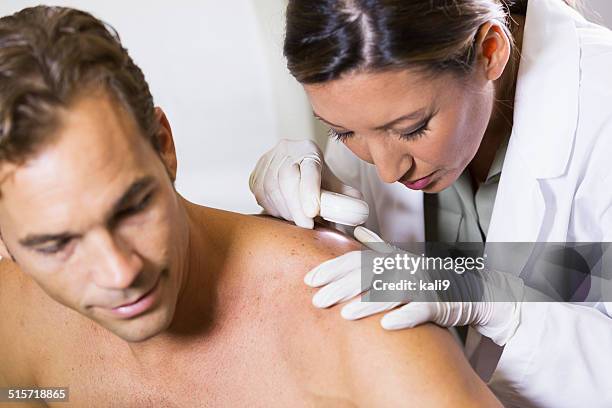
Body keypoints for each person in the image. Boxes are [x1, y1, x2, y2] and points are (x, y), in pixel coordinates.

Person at [0, 6, 503, 407]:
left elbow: (581, 273)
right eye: (55, 244)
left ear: (164, 143)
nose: (119, 273)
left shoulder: (355, 322)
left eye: (132, 209)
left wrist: (480, 291)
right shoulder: (15, 319)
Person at [249, 0, 612, 406]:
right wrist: (305, 211)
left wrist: (502, 309)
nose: (387, 170)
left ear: (490, 52)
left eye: (413, 128)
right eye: (343, 132)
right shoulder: (380, 107)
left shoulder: (602, 112)